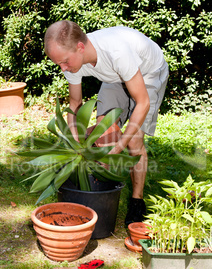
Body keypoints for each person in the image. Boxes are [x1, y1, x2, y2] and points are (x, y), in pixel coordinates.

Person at [44, 20, 169, 226]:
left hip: (148, 72)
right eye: (59, 64)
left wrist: (120, 145)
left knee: (133, 142)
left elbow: (143, 102)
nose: (63, 68)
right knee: (104, 135)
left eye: (65, 62)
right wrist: (77, 144)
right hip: (114, 77)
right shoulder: (69, 60)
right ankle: (100, 186)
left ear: (80, 47)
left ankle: (137, 201)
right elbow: (75, 103)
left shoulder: (117, 52)